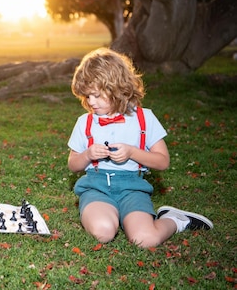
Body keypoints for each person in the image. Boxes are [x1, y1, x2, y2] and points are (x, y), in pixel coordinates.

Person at [67, 48, 213, 248]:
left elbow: (162, 161)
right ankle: (108, 215)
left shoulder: (144, 118)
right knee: (103, 232)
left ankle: (175, 220)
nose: (91, 102)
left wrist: (132, 153)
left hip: (132, 189)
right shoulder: (85, 122)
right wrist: (87, 154)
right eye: (87, 96)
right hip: (96, 188)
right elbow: (73, 164)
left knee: (144, 240)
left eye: (97, 95)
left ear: (116, 88)